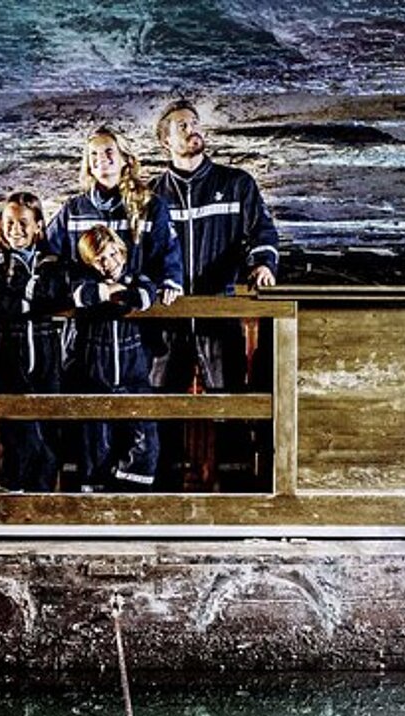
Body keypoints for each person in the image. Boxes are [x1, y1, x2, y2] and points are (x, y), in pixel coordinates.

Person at [149, 99, 281, 490]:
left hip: (218, 314)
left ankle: (235, 488)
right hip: (164, 319)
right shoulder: (151, 194)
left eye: (194, 123)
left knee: (229, 401)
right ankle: (164, 487)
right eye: (181, 126)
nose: (192, 130)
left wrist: (263, 265)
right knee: (160, 403)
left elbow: (261, 233)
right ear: (165, 142)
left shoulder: (236, 184)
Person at [0, 191, 71, 491]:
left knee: (48, 423)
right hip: (8, 352)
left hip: (46, 352)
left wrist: (20, 298)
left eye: (23, 222)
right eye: (9, 222)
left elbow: (55, 294)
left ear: (39, 226)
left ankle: (42, 494)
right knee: (16, 425)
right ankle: (12, 488)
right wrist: (31, 301)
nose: (15, 229)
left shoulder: (51, 260)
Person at [46, 125, 183, 302]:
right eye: (93, 154)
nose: (100, 157)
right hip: (87, 319)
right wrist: (66, 286)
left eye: (108, 151)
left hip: (135, 319)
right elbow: (48, 252)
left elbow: (167, 250)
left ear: (125, 159)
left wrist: (170, 282)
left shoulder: (151, 206)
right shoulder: (73, 210)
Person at [70, 224, 159, 491]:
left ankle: (133, 491)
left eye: (112, 255)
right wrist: (105, 292)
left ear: (121, 251)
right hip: (96, 375)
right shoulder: (86, 283)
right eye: (100, 260)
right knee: (96, 440)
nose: (109, 264)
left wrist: (120, 293)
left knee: (145, 437)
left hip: (134, 375)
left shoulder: (137, 278)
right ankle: (95, 494)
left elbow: (144, 297)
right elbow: (77, 295)